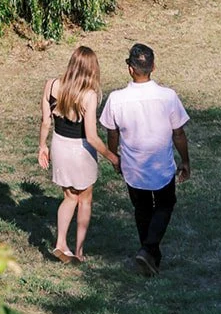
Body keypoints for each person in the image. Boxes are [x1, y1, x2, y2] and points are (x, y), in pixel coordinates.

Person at [101, 42, 190, 277]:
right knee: (165, 205)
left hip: (133, 167)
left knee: (141, 209)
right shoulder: (168, 97)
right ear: (153, 67)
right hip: (161, 166)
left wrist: (114, 157)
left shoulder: (116, 99)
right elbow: (178, 133)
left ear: (130, 68)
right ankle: (149, 250)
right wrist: (185, 160)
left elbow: (112, 132)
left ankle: (149, 255)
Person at [38, 45, 119, 262]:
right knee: (85, 199)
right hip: (80, 150)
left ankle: (60, 244)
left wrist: (42, 146)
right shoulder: (89, 95)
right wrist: (112, 156)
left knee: (68, 197)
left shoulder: (52, 85)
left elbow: (46, 121)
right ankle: (79, 251)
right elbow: (91, 136)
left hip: (59, 145)